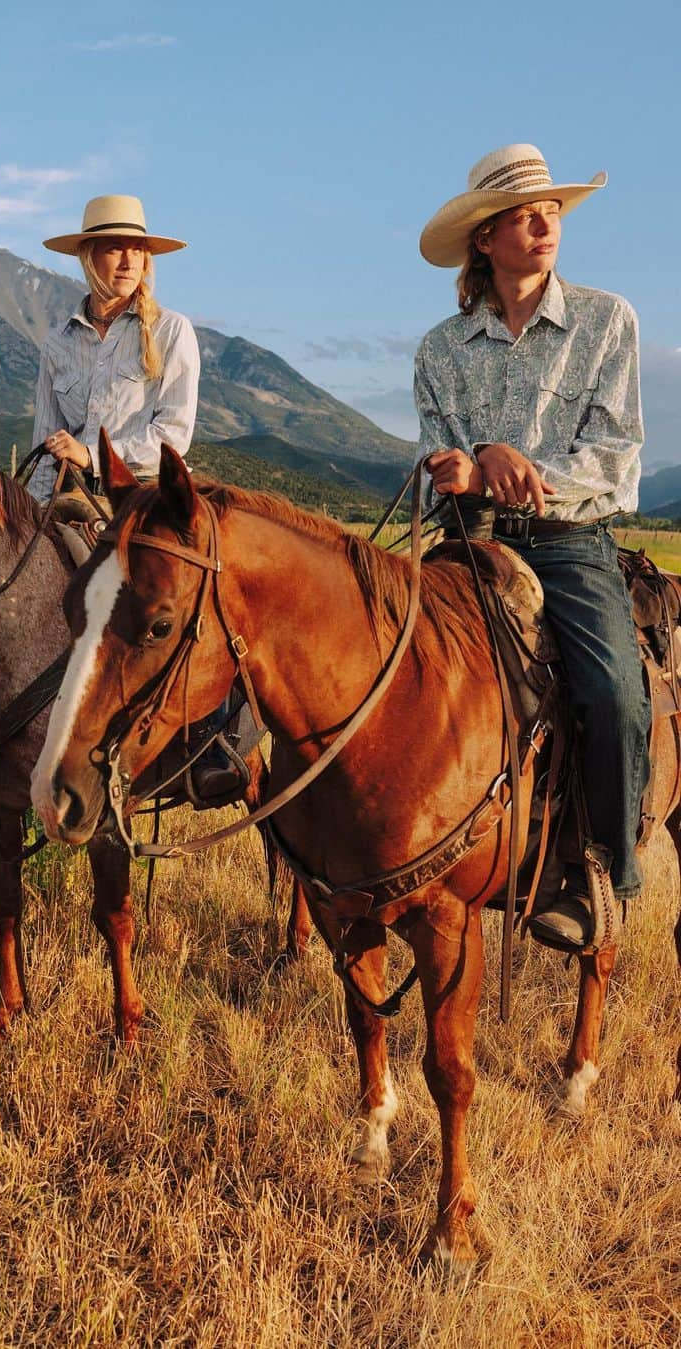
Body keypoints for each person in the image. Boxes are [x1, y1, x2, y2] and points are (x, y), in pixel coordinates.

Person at [415, 143, 649, 951]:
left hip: (570, 543)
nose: (545, 221)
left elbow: (616, 466)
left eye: (551, 209)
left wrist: (513, 466)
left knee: (614, 691)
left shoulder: (606, 321)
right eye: (524, 212)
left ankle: (604, 876)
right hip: (469, 544)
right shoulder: (439, 351)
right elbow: (433, 473)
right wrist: (455, 469)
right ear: (485, 238)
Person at [29, 194, 238, 800]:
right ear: (89, 256)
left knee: (194, 598)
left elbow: (173, 432)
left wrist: (93, 456)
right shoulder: (56, 344)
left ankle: (209, 743)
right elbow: (45, 437)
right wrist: (38, 508)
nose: (128, 259)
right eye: (115, 247)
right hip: (73, 500)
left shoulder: (171, 332)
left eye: (137, 249)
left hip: (151, 501)